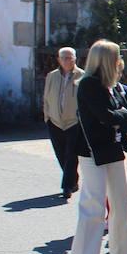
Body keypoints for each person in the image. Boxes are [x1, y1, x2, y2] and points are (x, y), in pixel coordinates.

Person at [67, 40, 127, 254]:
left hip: (113, 149)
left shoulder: (113, 85)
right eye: (117, 57)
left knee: (121, 204)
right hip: (93, 152)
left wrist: (122, 117)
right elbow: (108, 117)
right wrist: (122, 117)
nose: (120, 61)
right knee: (93, 207)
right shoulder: (89, 85)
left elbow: (126, 112)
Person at [42, 46, 85, 200]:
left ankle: (66, 187)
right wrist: (47, 117)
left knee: (71, 154)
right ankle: (73, 179)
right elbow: (46, 98)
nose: (68, 60)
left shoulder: (82, 76)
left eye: (70, 57)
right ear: (59, 60)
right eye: (65, 58)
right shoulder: (52, 76)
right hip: (54, 122)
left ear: (75, 59)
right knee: (61, 154)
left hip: (73, 122)